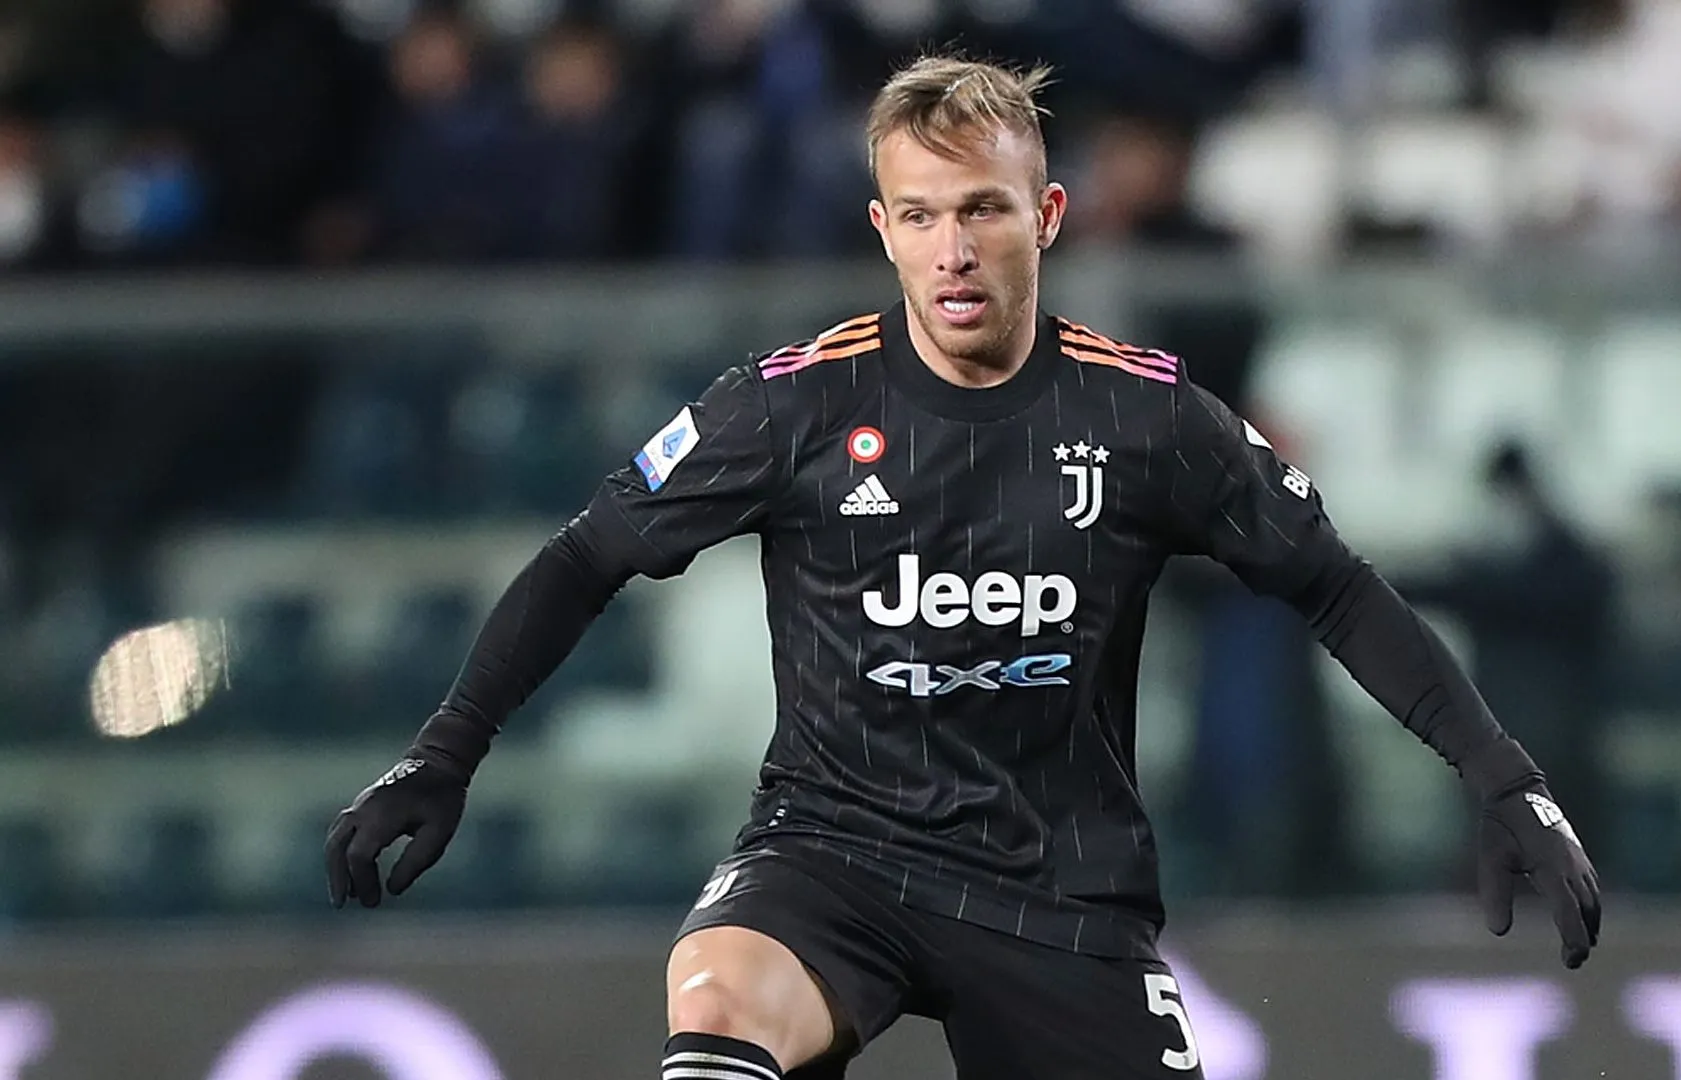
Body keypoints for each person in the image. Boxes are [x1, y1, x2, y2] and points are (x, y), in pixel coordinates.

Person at [323, 55, 1601, 1079]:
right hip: (834, 853)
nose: (953, 250)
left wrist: (1503, 779)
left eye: (982, 209)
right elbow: (586, 555)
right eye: (921, 215)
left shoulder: (1150, 419)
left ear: (1045, 215)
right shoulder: (789, 406)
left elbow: (1332, 583)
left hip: (1064, 892)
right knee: (716, 996)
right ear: (882, 229)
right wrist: (447, 750)